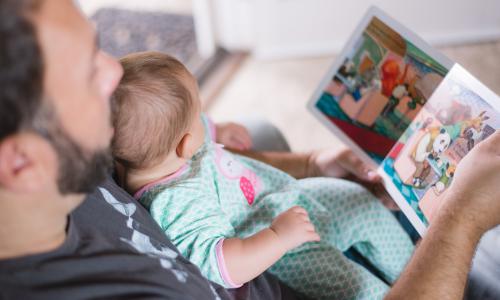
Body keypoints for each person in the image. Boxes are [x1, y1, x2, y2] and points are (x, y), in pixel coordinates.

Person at [0, 0, 499, 299]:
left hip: (291, 210)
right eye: (88, 71)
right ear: (20, 163)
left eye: (99, 45)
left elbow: (193, 161)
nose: (115, 73)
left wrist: (306, 163)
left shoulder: (81, 150)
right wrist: (462, 218)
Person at [111, 51, 414, 299]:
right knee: (362, 291)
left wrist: (217, 129)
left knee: (360, 200)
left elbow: (187, 128)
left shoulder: (162, 151)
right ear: (185, 144)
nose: (204, 118)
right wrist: (278, 237)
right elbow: (222, 264)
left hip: (286, 196)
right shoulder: (176, 202)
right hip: (287, 250)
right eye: (198, 114)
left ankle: (415, 270)